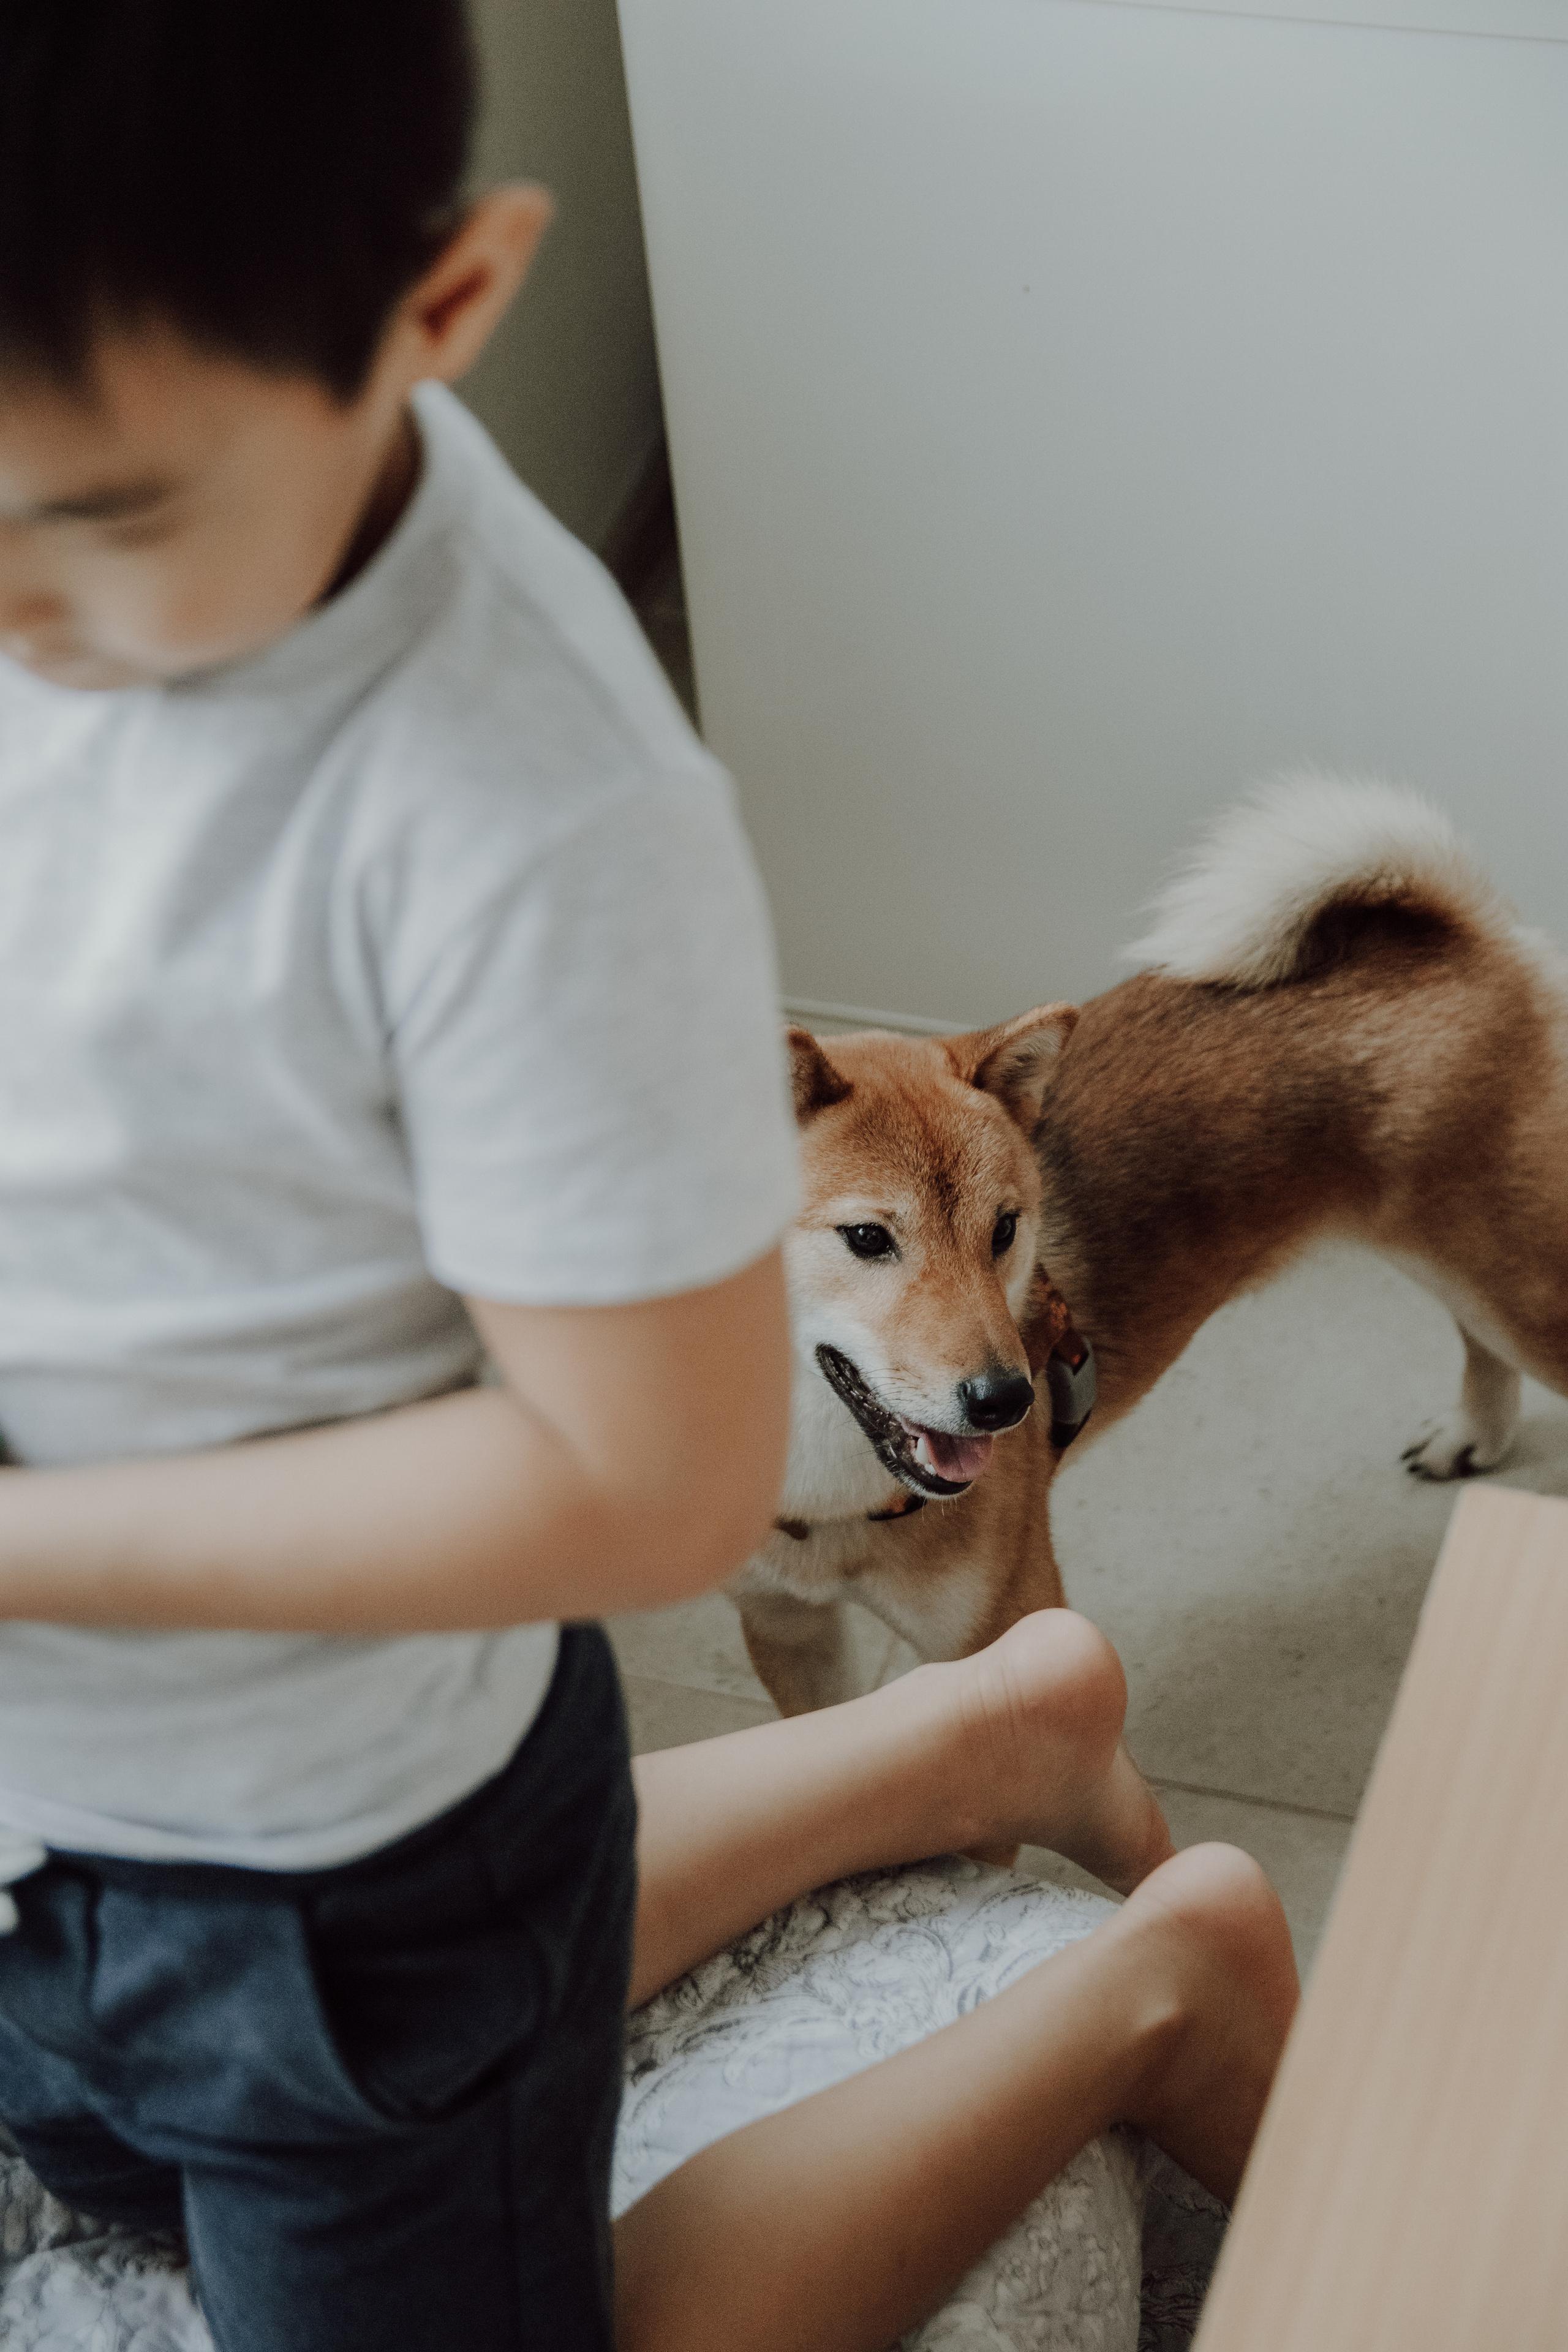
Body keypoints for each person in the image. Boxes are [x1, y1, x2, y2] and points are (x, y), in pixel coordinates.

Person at [0, 4, 1298, 2346]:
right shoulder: (98, 449)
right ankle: (973, 1729)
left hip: (337, 1861)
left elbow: (650, 1485)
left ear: (442, 314)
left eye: (100, 525)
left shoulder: (535, 819)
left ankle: (1154, 1995)